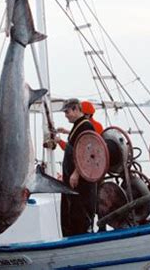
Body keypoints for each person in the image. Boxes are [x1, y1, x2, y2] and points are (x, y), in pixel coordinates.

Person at [57, 98, 97, 237]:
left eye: (67, 112)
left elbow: (90, 152)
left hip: (81, 183)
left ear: (75, 109)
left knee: (80, 214)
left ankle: (82, 238)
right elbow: (76, 144)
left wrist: (76, 173)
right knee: (70, 212)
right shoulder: (78, 125)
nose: (65, 115)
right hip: (71, 181)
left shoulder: (86, 126)